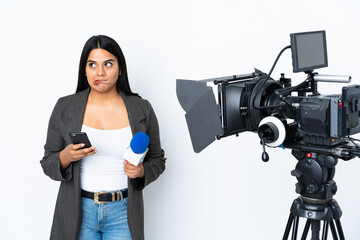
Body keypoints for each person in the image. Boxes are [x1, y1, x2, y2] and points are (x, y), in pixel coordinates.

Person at [40, 35, 166, 240]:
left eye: (108, 64)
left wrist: (141, 170)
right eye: (92, 65)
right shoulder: (65, 107)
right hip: (78, 211)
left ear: (120, 68)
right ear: (84, 69)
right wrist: (65, 157)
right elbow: (47, 163)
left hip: (123, 214)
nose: (100, 72)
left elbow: (157, 160)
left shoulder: (141, 108)